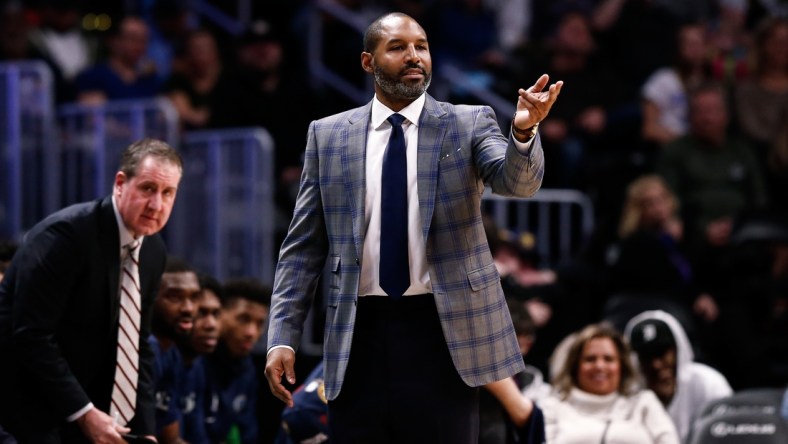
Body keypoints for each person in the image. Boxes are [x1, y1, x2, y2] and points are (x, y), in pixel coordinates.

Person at [264, 12, 562, 443]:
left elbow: (518, 182)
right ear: (368, 61)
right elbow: (302, 248)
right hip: (356, 333)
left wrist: (523, 129)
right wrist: (281, 337)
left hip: (443, 333)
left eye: (421, 46)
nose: (414, 56)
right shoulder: (327, 136)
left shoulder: (469, 121)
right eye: (398, 47)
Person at [0, 138, 182, 443]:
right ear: (121, 183)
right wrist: (84, 412)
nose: (157, 205)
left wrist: (145, 430)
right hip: (22, 404)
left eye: (168, 193)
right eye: (148, 189)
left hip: (83, 404)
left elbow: (138, 345)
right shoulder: (65, 236)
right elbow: (31, 335)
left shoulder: (154, 251)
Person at [540, 323, 680, 443]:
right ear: (575, 365)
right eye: (590, 359)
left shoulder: (643, 402)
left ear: (622, 365)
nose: (600, 366)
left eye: (608, 359)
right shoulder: (553, 406)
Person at [624, 310, 732, 442]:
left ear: (678, 351)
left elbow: (727, 434)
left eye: (661, 352)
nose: (656, 365)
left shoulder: (708, 383)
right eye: (647, 356)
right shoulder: (628, 394)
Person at [204, 278, 270, 444]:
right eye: (243, 319)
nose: (251, 332)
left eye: (259, 323)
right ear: (220, 314)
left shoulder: (247, 369)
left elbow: (248, 432)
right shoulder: (195, 359)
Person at [148, 257, 201, 442]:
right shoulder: (145, 350)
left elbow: (171, 438)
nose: (188, 308)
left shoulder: (173, 354)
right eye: (175, 297)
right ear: (148, 296)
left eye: (194, 298)